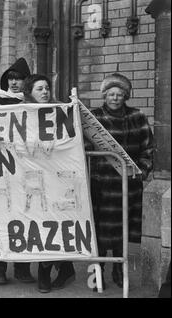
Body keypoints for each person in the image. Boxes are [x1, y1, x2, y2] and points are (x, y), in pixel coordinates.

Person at [86, 73, 154, 290]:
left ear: (126, 96)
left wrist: (141, 171)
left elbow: (148, 148)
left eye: (120, 94)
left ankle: (119, 269)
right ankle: (98, 272)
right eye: (111, 94)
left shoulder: (137, 117)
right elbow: (84, 147)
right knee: (98, 232)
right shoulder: (93, 117)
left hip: (127, 185)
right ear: (104, 95)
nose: (115, 98)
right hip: (100, 186)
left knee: (121, 232)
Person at [23, 74, 76, 293]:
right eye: (39, 89)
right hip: (31, 179)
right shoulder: (21, 114)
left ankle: (47, 270)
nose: (44, 92)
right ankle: (63, 268)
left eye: (46, 88)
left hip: (56, 177)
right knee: (38, 224)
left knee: (53, 222)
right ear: (30, 93)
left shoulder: (59, 112)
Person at [0, 58, 34, 285]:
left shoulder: (31, 102)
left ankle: (22, 269)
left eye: (19, 79)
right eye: (11, 78)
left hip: (25, 169)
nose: (14, 83)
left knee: (23, 218)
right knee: (0, 220)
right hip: (0, 168)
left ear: (26, 81)